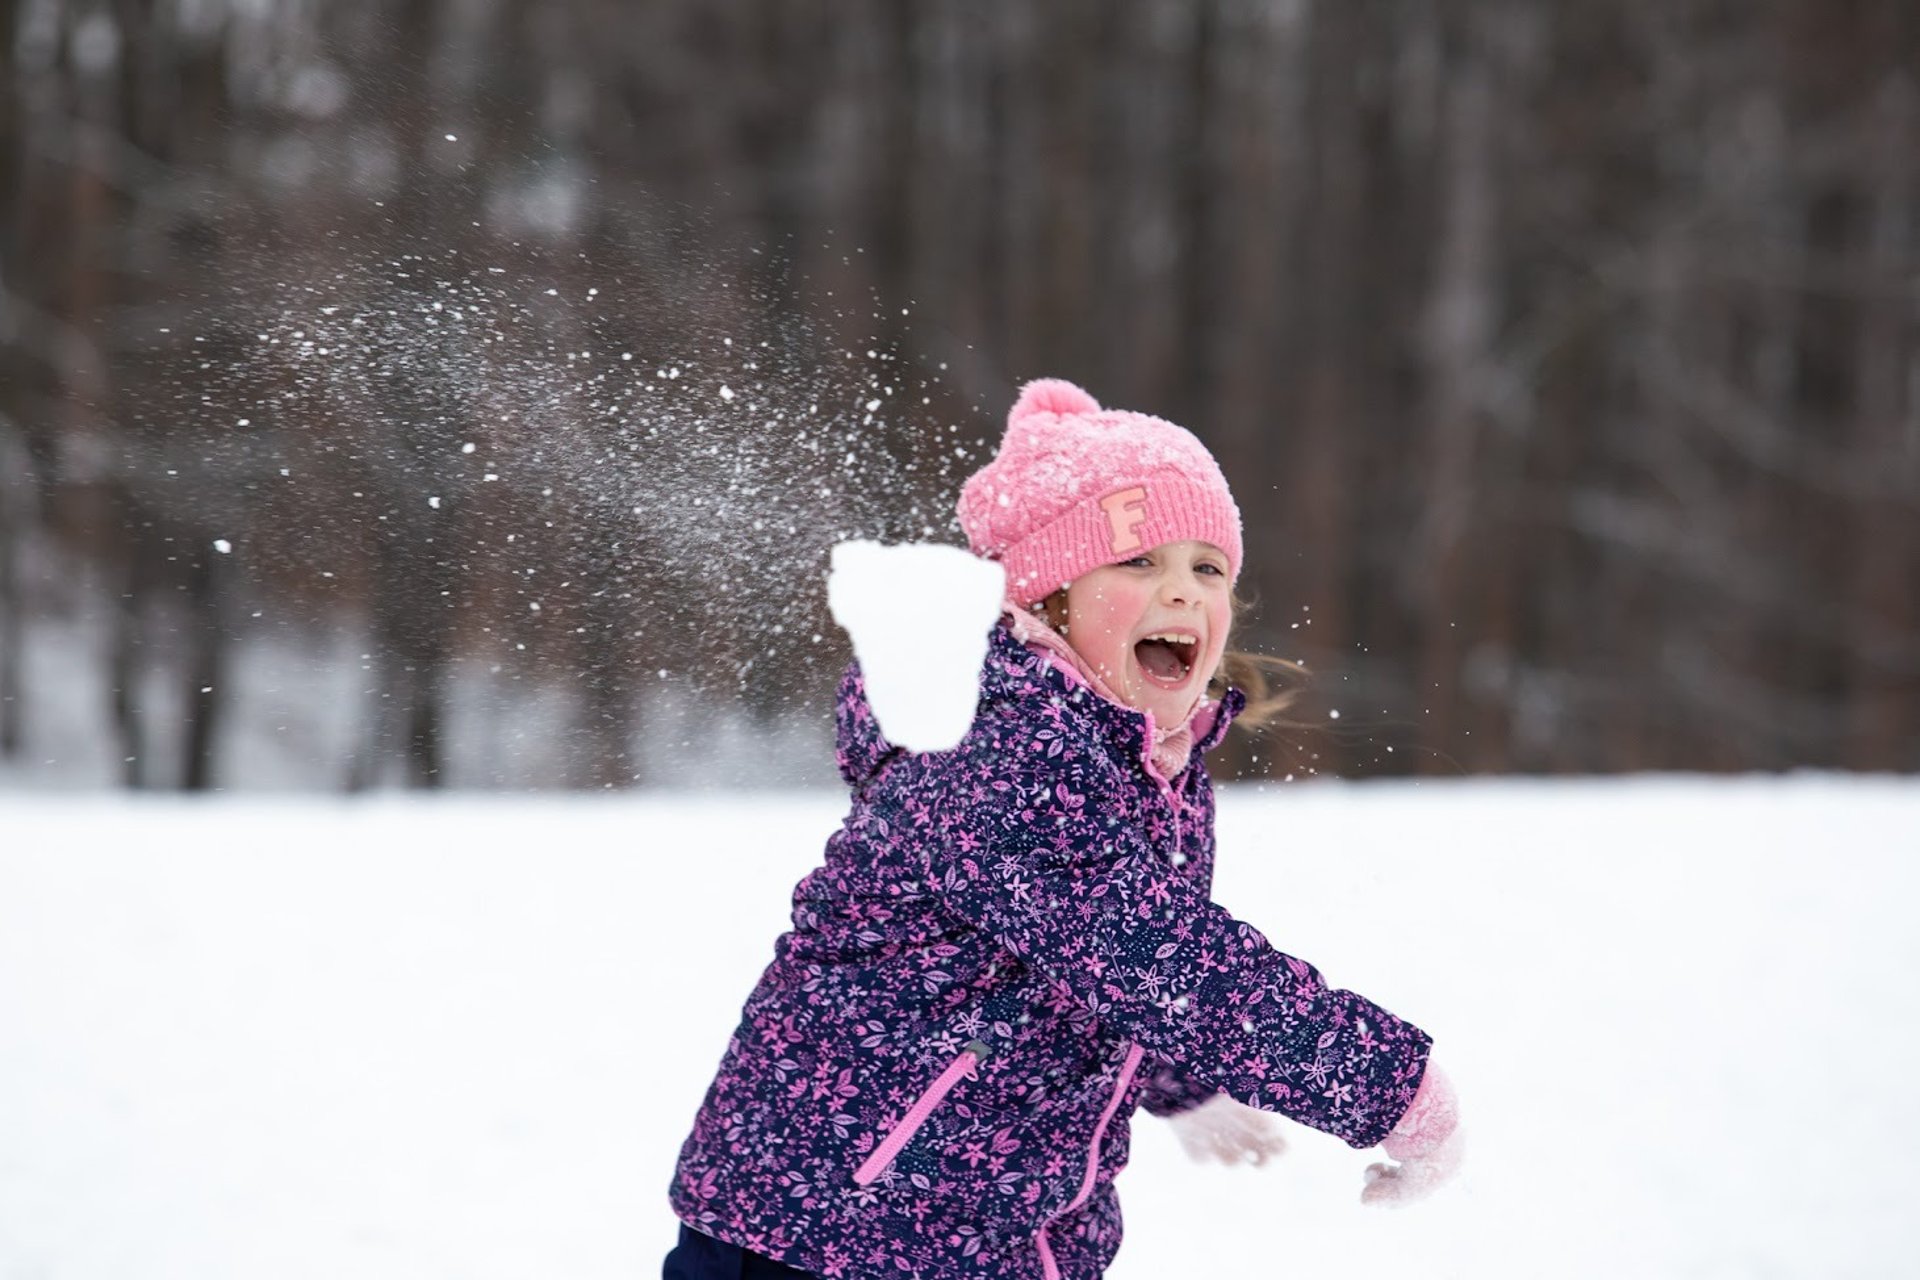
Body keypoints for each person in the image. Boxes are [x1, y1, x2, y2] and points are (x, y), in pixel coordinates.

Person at [663, 379, 1461, 1280]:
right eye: (1137, 563)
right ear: (1048, 600)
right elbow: (1145, 950)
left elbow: (1069, 964)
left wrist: (1168, 1076)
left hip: (980, 1232)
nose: (1182, 592)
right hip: (832, 1230)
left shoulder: (1145, 759)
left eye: (1208, 567)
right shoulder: (999, 743)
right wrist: (1392, 1086)